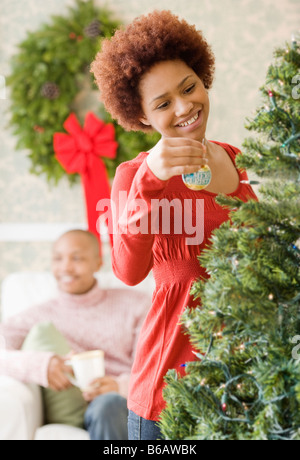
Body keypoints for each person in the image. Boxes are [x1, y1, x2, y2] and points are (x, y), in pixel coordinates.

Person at [91, 10, 258, 440]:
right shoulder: (134, 174)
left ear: (203, 78)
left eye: (190, 88)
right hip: (169, 395)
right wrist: (152, 180)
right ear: (142, 116)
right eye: (163, 103)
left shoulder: (235, 159)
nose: (185, 107)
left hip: (244, 387)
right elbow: (128, 272)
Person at [0, 230, 150, 440]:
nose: (66, 267)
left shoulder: (136, 304)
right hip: (73, 407)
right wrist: (41, 365)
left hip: (122, 404)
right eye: (58, 258)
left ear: (98, 263)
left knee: (109, 404)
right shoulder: (36, 315)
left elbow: (152, 366)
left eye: (77, 258)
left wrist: (119, 386)